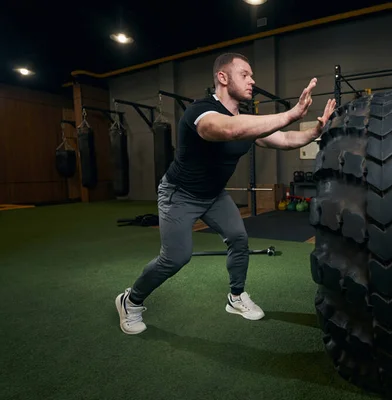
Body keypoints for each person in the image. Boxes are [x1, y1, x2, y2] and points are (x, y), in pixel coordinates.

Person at [115, 52, 337, 335]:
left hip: (213, 195)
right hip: (179, 194)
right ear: (222, 77)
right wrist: (291, 113)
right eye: (245, 74)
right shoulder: (200, 111)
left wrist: (316, 130)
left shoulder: (245, 120)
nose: (252, 81)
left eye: (252, 76)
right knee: (176, 258)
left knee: (238, 238)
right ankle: (131, 300)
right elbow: (227, 130)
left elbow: (285, 139)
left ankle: (236, 296)